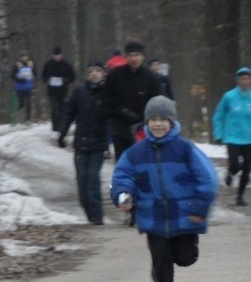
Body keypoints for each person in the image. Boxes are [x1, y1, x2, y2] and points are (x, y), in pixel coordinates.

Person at [110, 96, 217, 282]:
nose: (158, 124)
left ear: (171, 122)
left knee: (185, 258)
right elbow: (122, 176)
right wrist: (123, 194)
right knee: (161, 259)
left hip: (184, 213)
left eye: (163, 119)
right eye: (153, 120)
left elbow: (207, 179)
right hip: (152, 216)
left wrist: (198, 207)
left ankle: (183, 253)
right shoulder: (136, 152)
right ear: (147, 123)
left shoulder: (185, 149)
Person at [102, 40, 162, 226]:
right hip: (122, 130)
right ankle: (128, 209)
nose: (134, 59)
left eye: (137, 55)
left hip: (145, 131)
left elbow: (159, 103)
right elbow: (106, 101)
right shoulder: (115, 76)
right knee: (124, 172)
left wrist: (149, 119)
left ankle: (145, 207)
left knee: (145, 171)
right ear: (126, 57)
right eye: (131, 55)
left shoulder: (151, 78)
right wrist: (122, 112)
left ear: (142, 57)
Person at [58, 61, 109, 225]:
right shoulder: (79, 91)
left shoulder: (107, 93)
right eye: (91, 71)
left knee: (92, 179)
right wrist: (62, 133)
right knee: (82, 181)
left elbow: (113, 117)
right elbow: (69, 112)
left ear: (103, 74)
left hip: (98, 144)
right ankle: (89, 213)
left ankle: (97, 216)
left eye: (98, 71)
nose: (94, 73)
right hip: (81, 143)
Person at [213, 66, 251, 207]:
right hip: (232, 137)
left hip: (249, 138)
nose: (245, 81)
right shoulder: (229, 97)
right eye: (242, 78)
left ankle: (240, 196)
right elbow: (218, 116)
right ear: (237, 81)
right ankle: (231, 173)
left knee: (247, 169)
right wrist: (218, 134)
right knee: (235, 164)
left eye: (248, 78)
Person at [41, 47, 76, 139]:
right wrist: (47, 80)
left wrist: (65, 80)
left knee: (62, 109)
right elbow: (43, 75)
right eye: (55, 55)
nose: (57, 57)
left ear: (61, 55)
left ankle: (60, 129)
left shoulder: (66, 65)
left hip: (62, 91)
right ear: (53, 55)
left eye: (58, 55)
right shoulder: (48, 64)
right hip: (51, 90)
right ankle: (54, 129)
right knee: (54, 108)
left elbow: (72, 76)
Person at [11, 50, 37, 124]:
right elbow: (12, 76)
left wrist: (35, 77)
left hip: (28, 87)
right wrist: (20, 79)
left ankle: (28, 119)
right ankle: (19, 115)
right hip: (19, 88)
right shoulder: (17, 65)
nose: (24, 58)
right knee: (21, 103)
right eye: (23, 57)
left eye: (25, 57)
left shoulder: (31, 64)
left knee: (28, 102)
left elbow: (35, 73)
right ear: (20, 58)